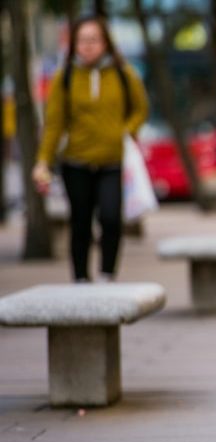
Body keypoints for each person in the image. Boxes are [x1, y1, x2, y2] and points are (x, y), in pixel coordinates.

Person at [32, 15, 148, 283]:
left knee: (111, 219)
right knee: (80, 222)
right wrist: (43, 162)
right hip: (76, 161)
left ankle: (108, 274)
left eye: (94, 40)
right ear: (74, 44)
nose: (88, 46)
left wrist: (126, 131)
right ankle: (81, 278)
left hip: (112, 161)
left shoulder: (123, 74)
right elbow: (54, 124)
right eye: (82, 40)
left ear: (106, 43)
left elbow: (140, 109)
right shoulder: (66, 77)